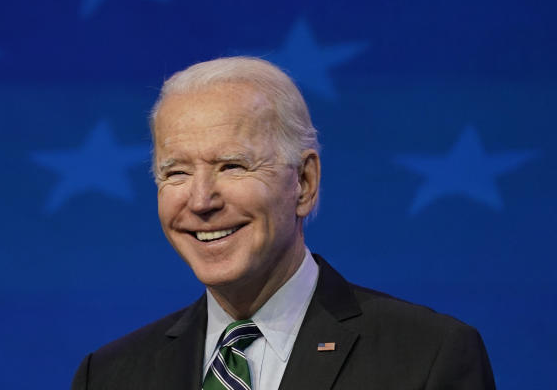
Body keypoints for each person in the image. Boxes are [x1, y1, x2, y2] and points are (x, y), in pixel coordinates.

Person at [71, 57, 494, 390]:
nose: (200, 201)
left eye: (232, 165)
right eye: (176, 173)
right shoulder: (109, 376)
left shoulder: (426, 356)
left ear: (304, 182)